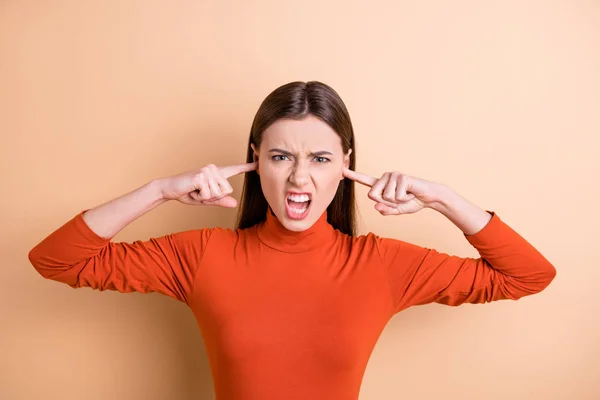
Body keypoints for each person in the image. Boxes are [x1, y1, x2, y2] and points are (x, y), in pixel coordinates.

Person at [28, 81, 556, 400]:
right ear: (256, 159)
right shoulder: (203, 256)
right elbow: (55, 260)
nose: (299, 179)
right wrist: (161, 190)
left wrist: (442, 198)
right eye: (281, 157)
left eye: (320, 159)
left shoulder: (382, 265)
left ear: (346, 164)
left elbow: (529, 276)